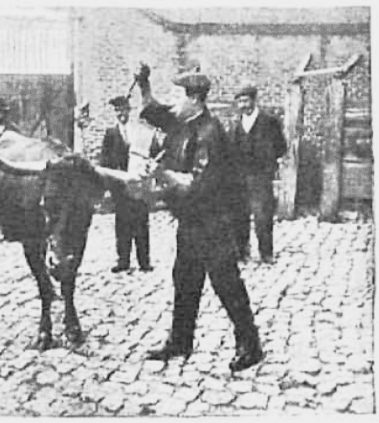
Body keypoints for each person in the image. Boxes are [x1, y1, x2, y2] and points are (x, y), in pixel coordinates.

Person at [134, 63, 263, 372]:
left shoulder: (210, 132)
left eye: (176, 95)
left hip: (214, 221)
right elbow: (152, 109)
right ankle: (180, 340)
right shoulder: (181, 119)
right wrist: (144, 83)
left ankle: (250, 345)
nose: (171, 101)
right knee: (185, 280)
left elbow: (197, 183)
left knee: (227, 283)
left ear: (194, 98)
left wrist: (161, 173)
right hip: (191, 220)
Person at [231, 85, 287, 264]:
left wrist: (268, 164)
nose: (243, 105)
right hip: (239, 177)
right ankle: (242, 252)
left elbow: (281, 147)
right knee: (239, 215)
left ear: (254, 101)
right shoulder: (235, 124)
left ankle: (266, 253)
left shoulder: (269, 122)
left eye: (246, 101)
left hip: (261, 176)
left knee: (262, 216)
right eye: (239, 101)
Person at [100, 95, 154, 273]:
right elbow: (105, 162)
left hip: (138, 184)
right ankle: (123, 261)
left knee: (141, 223)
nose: (121, 114)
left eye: (123, 110)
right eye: (117, 111)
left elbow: (151, 152)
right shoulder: (111, 133)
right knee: (122, 224)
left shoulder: (139, 132)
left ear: (129, 111)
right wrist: (109, 185)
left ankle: (144, 261)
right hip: (120, 186)